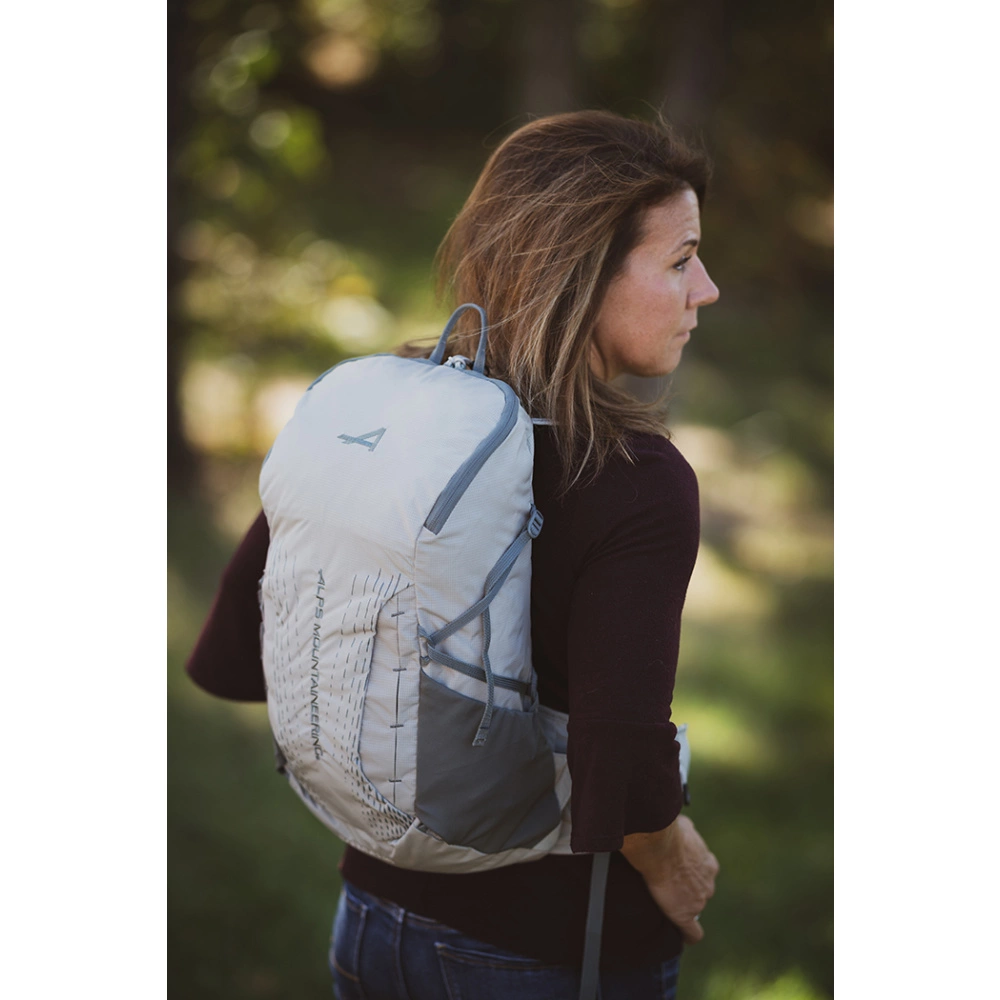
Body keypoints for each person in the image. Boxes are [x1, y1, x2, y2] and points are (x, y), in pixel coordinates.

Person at [187, 109, 721, 1000]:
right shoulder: (634, 478)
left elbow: (239, 648)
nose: (707, 289)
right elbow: (621, 763)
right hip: (545, 952)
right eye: (679, 260)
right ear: (580, 275)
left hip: (371, 922)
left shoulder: (392, 416)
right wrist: (672, 857)